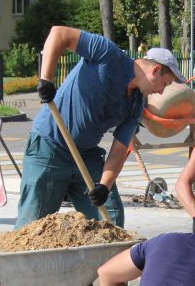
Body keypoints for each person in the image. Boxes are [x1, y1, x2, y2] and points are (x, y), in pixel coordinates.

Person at [15, 26, 185, 228]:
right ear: (155, 71)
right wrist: (45, 80)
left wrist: (104, 186)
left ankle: (103, 259)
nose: (161, 91)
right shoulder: (108, 54)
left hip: (86, 157)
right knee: (33, 225)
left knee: (110, 219)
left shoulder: (136, 105)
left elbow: (119, 150)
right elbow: (59, 34)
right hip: (49, 147)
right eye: (164, 84)